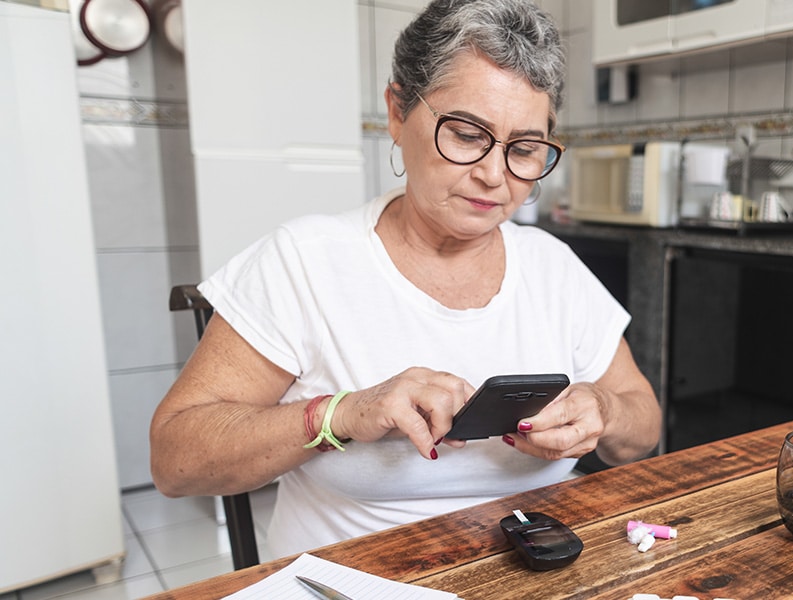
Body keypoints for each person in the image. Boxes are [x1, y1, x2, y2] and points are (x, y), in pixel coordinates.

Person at [150, 0, 661, 559]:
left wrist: (605, 413)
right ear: (398, 112)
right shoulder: (304, 260)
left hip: (538, 571)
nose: (495, 175)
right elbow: (175, 461)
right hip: (359, 580)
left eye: (525, 149)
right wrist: (341, 414)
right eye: (467, 134)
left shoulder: (553, 266)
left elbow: (642, 425)